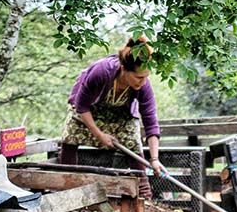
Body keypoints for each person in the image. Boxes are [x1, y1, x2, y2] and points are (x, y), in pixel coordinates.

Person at [59, 36, 164, 199]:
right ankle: (65, 189)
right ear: (124, 69)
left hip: (120, 114)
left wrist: (155, 159)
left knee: (133, 143)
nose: (142, 82)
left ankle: (144, 195)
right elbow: (81, 106)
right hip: (89, 111)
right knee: (70, 134)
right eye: (138, 77)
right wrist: (99, 135)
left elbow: (150, 122)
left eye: (146, 77)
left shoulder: (144, 86)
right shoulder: (101, 72)